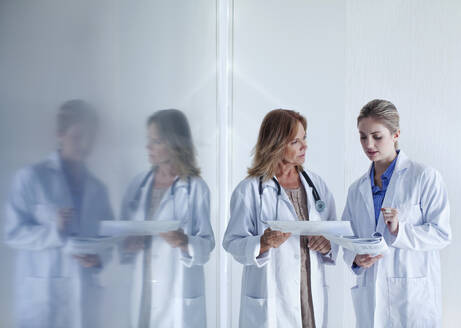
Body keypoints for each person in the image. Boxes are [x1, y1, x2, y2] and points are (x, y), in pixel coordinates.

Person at [4, 99, 114, 328]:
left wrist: (98, 259)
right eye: (77, 137)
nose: (84, 144)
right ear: (60, 135)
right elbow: (12, 233)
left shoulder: (98, 189)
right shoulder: (32, 178)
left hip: (82, 298)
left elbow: (108, 240)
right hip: (42, 299)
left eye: (90, 137)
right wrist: (54, 231)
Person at [223, 109, 337, 328]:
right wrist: (262, 243)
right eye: (295, 141)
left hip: (310, 294)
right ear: (275, 143)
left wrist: (327, 244)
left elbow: (333, 230)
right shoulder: (249, 190)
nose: (304, 146)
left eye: (304, 138)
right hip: (273, 297)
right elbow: (232, 242)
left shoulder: (315, 184)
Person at [342, 99, 451, 327]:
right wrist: (356, 258)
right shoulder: (356, 189)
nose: (368, 144)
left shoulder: (424, 177)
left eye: (377, 136)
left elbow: (442, 234)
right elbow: (347, 238)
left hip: (412, 299)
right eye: (363, 136)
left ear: (396, 134)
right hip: (371, 296)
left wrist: (401, 230)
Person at [120, 109, 215, 327]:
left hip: (176, 293)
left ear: (174, 143)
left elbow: (207, 244)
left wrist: (184, 242)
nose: (149, 147)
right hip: (143, 288)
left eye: (157, 141)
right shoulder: (138, 185)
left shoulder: (195, 188)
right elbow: (123, 235)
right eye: (149, 140)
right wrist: (128, 245)